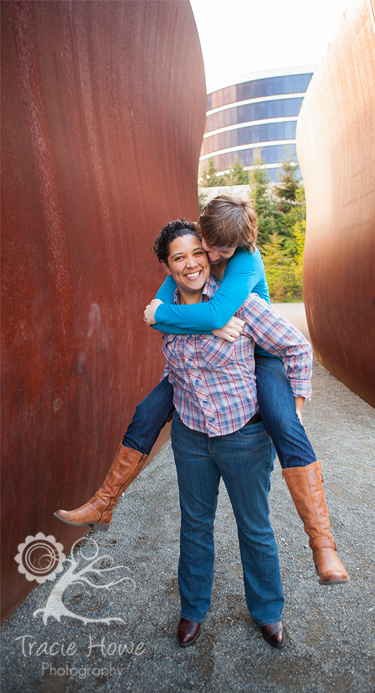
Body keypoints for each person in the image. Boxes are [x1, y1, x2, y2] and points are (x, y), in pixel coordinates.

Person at [55, 194, 348, 586]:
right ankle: (104, 502)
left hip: (261, 352)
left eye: (216, 249)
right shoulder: (196, 248)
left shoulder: (243, 260)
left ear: (239, 245)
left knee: (285, 422)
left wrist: (296, 400)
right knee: (147, 412)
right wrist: (185, 319)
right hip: (212, 356)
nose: (209, 254)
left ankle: (322, 544)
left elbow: (213, 313)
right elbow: (161, 309)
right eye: (204, 244)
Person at [148, 219, 312, 647]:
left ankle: (267, 610)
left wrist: (295, 406)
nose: (190, 264)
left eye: (196, 254)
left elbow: (295, 345)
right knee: (195, 525)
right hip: (191, 436)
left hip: (244, 435)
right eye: (178, 258)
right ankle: (192, 609)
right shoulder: (164, 314)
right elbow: (175, 366)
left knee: (254, 526)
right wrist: (205, 326)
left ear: (208, 255)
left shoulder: (237, 300)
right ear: (167, 267)